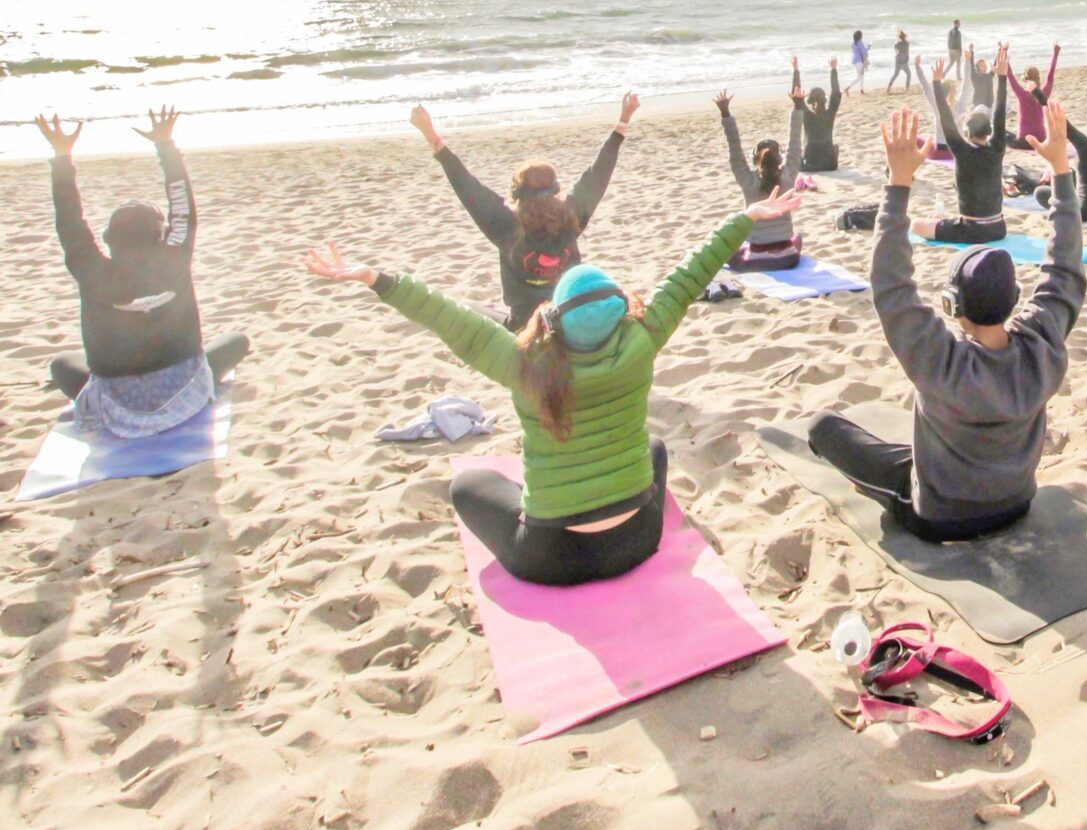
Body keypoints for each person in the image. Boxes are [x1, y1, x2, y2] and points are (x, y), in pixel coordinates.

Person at [301, 191, 800, 585]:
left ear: (553, 317)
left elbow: (450, 319)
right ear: (620, 309)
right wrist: (746, 218)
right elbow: (690, 276)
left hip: (550, 558)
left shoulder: (524, 362)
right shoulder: (643, 338)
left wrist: (374, 278)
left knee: (467, 486)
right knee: (653, 447)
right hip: (637, 539)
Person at [806, 105, 1083, 542]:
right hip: (1017, 503)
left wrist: (899, 182)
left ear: (952, 306)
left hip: (940, 515)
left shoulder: (942, 361)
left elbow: (890, 284)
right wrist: (1061, 172)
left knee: (822, 428)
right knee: (905, 449)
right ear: (1015, 300)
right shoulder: (1042, 345)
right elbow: (1065, 270)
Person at [37, 108, 249, 434]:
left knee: (62, 364)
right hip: (185, 396)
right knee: (237, 341)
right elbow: (183, 211)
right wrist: (165, 145)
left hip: (117, 410)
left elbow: (70, 223)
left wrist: (62, 156)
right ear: (160, 235)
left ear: (107, 240)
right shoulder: (175, 257)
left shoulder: (91, 270)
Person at [412, 95, 636, 329]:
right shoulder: (571, 215)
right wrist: (623, 120)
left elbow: (464, 182)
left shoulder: (503, 223)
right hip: (568, 324)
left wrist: (429, 133)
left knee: (468, 308)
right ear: (555, 190)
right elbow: (598, 174)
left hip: (523, 328)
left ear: (517, 193)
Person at [914, 48, 1011, 243]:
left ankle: (947, 222)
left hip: (971, 230)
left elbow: (945, 117)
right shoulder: (998, 148)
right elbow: (1000, 113)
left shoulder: (962, 151)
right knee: (938, 220)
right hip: (999, 228)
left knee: (916, 225)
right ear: (990, 132)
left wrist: (935, 82)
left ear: (966, 133)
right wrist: (1002, 78)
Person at [717, 86, 805, 270]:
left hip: (756, 255)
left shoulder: (748, 182)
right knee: (797, 238)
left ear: (755, 159)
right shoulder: (788, 176)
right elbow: (795, 144)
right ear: (780, 159)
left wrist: (725, 113)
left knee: (726, 249)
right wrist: (798, 106)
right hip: (788, 258)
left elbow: (735, 149)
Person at [1032, 111, 1087, 221]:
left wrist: (1040, 97)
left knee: (1040, 192)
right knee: (1072, 176)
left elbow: (1061, 122)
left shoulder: (1085, 145)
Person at [793, 57, 845, 172]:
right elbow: (836, 93)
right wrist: (833, 70)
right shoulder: (830, 113)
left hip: (809, 165)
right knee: (835, 147)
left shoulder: (807, 116)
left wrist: (796, 70)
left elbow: (796, 95)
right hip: (830, 165)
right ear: (825, 100)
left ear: (810, 102)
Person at [1006, 45, 1060, 149]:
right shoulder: (1044, 93)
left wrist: (1003, 51)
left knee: (1003, 133)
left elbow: (1010, 76)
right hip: (1041, 140)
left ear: (1025, 79)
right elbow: (1050, 75)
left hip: (1023, 141)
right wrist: (1056, 52)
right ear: (1038, 77)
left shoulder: (1021, 94)